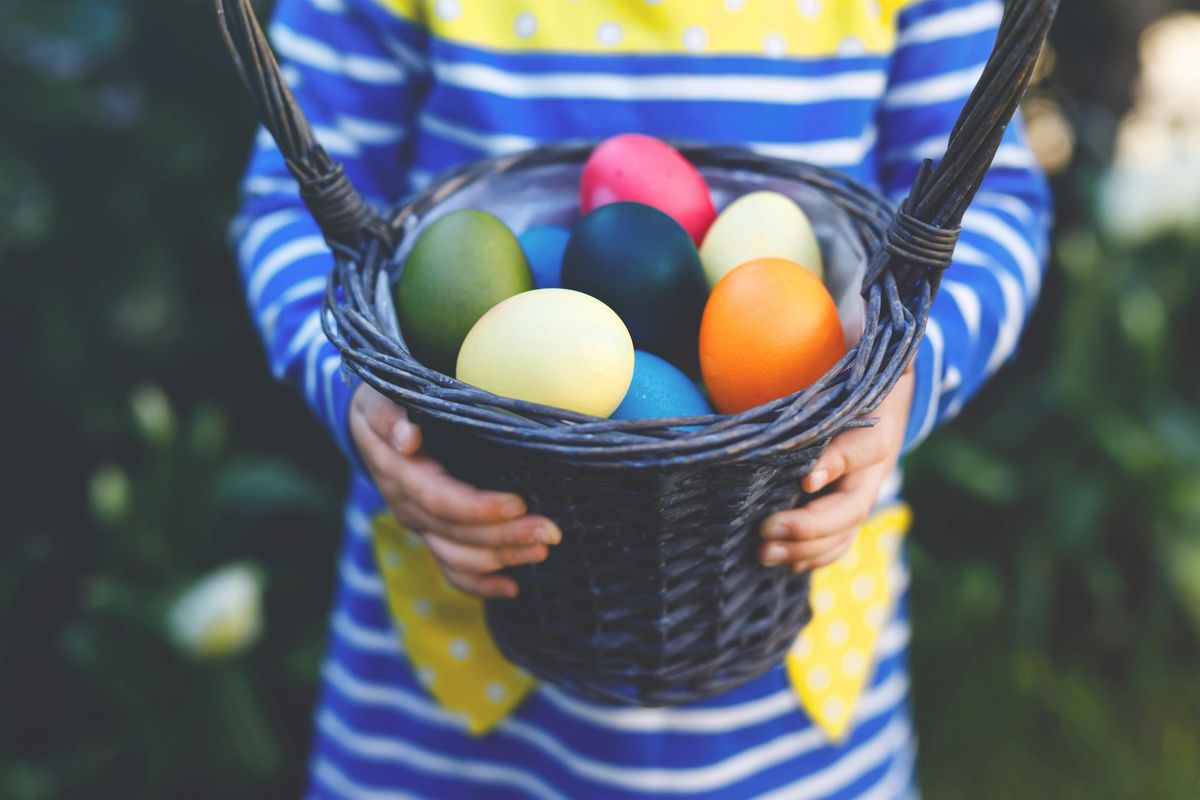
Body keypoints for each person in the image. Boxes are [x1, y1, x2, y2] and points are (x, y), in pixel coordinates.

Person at [234, 0, 1051, 796]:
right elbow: (295, 200)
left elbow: (989, 204)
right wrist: (357, 390)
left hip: (782, 635)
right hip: (459, 653)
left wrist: (907, 364)